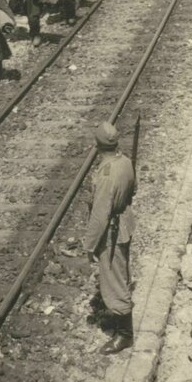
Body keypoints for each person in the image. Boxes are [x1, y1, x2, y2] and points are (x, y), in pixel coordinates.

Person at [84, 122, 136, 355]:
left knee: (114, 280)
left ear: (98, 145)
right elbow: (133, 189)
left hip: (111, 232)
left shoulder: (106, 173)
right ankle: (122, 322)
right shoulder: (124, 162)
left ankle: (124, 335)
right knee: (121, 272)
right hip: (124, 223)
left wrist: (90, 245)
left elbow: (99, 215)